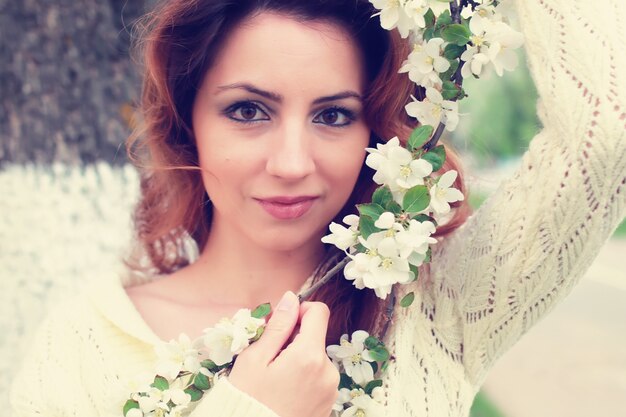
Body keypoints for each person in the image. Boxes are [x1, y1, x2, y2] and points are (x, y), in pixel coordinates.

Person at [10, 0, 625, 416]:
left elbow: (609, 124)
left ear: (374, 133)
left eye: (333, 115)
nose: (292, 163)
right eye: (248, 111)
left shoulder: (438, 306)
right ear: (187, 121)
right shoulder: (82, 343)